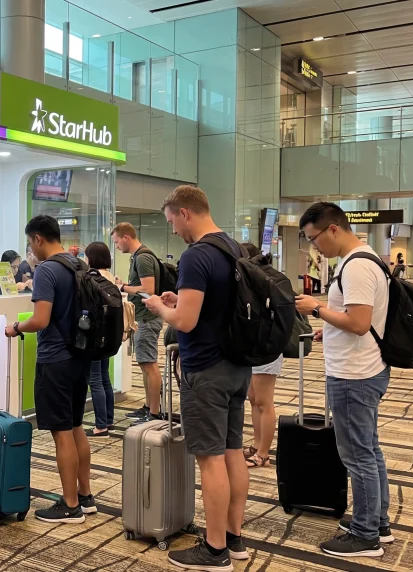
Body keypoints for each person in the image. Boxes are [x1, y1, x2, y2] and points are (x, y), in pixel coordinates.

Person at [143, 185, 251, 570]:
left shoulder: (196, 255)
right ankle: (234, 537)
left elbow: (185, 321)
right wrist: (178, 301)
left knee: (210, 460)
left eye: (172, 221)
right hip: (238, 367)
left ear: (185, 213)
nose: (173, 230)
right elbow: (208, 307)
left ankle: (215, 549)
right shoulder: (233, 248)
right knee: (233, 451)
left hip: (205, 370)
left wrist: (159, 306)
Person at [295, 202, 392, 558]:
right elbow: (354, 318)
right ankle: (377, 522)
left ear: (333, 229)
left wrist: (316, 309)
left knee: (357, 456)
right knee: (369, 449)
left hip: (354, 374)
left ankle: (366, 536)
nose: (315, 247)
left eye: (314, 238)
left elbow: (360, 323)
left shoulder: (355, 268)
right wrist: (328, 329)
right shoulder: (364, 259)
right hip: (364, 367)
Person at [5, 215, 94, 524]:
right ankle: (85, 495)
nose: (32, 249)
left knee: (61, 434)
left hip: (55, 359)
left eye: (31, 243)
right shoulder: (78, 265)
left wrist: (16, 327)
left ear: (38, 239)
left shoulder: (47, 271)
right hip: (80, 356)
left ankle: (69, 505)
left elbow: (40, 319)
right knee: (76, 426)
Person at [110, 222, 163, 424]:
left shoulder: (142, 257)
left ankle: (154, 412)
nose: (116, 246)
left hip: (147, 319)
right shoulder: (140, 256)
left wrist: (123, 286)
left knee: (149, 365)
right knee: (145, 364)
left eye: (116, 242)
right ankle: (148, 407)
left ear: (126, 237)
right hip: (144, 317)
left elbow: (148, 289)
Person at [240, 243, 282, 469]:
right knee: (253, 398)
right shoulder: (250, 282)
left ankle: (264, 453)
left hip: (267, 348)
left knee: (264, 401)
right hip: (253, 348)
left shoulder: (267, 282)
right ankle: (257, 445)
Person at [84, 241, 115, 436]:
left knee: (95, 380)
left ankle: (101, 425)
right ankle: (108, 420)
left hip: (95, 335)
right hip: (109, 334)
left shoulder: (93, 277)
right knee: (104, 378)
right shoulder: (110, 276)